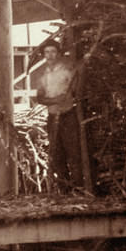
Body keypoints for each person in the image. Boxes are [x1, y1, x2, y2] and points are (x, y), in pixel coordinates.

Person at [35, 40, 85, 192]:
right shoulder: (43, 74)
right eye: (46, 52)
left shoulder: (67, 70)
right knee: (57, 154)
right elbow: (40, 98)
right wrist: (55, 100)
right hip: (52, 117)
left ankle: (78, 188)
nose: (49, 55)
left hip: (67, 116)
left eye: (53, 52)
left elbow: (76, 92)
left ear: (58, 53)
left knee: (73, 152)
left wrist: (68, 98)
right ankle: (64, 189)